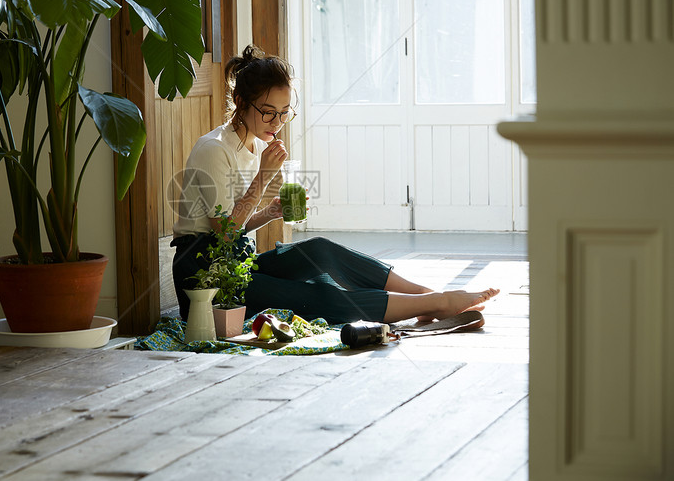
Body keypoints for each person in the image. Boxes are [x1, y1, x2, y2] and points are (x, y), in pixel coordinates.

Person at [170, 45, 499, 325]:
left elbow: (236, 226)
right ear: (241, 102)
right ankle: (437, 305)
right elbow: (223, 233)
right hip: (206, 277)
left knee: (321, 250)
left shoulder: (255, 143)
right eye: (268, 113)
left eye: (285, 113)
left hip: (237, 261)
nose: (277, 123)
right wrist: (263, 178)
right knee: (320, 295)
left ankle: (431, 296)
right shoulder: (214, 149)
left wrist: (270, 212)